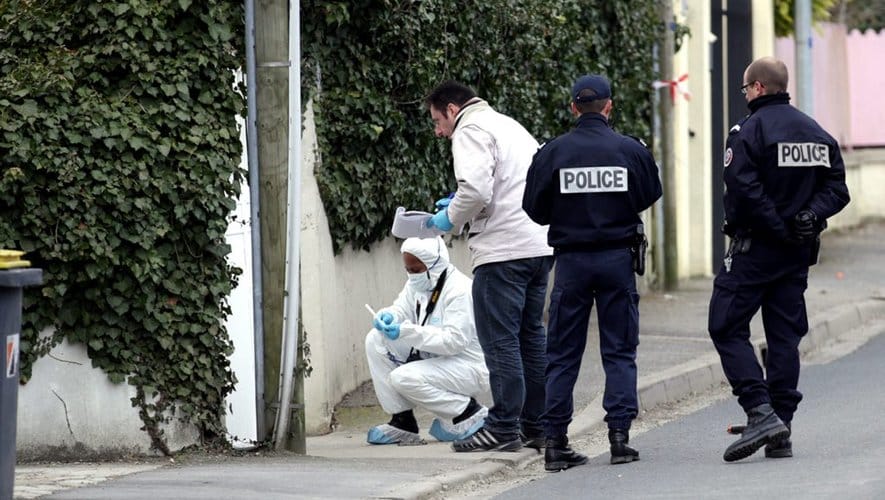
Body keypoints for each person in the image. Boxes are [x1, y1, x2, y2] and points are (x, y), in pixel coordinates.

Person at [708, 57, 850, 462]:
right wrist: (809, 216)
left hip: (756, 251)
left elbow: (743, 190)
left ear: (757, 88)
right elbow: (837, 188)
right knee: (785, 337)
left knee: (725, 324)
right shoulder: (815, 132)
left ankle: (760, 410)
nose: (745, 95)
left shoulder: (748, 132)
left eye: (744, 89)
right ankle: (781, 428)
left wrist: (778, 225)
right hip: (796, 253)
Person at [522, 74, 662, 471]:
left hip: (571, 263)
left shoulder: (553, 152)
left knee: (562, 354)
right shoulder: (629, 150)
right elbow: (650, 194)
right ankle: (619, 438)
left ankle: (555, 444)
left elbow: (534, 207)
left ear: (573, 107)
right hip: (617, 261)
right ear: (608, 106)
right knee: (619, 350)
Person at [424, 81, 554, 452]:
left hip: (502, 249)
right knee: (531, 337)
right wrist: (462, 203)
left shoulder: (469, 129)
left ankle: (502, 428)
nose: (438, 130)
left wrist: (449, 216)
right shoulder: (509, 125)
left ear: (452, 109)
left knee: (500, 341)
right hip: (537, 244)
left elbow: (477, 191)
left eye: (437, 120)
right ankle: (537, 426)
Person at [365, 236, 490, 445]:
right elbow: (401, 308)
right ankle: (402, 422)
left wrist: (407, 331)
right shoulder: (418, 282)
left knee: (402, 378)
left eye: (415, 270)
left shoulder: (459, 290)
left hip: (468, 366)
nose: (411, 275)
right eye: (408, 270)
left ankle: (469, 412)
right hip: (437, 357)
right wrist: (388, 316)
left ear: (434, 265)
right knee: (376, 340)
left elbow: (454, 341)